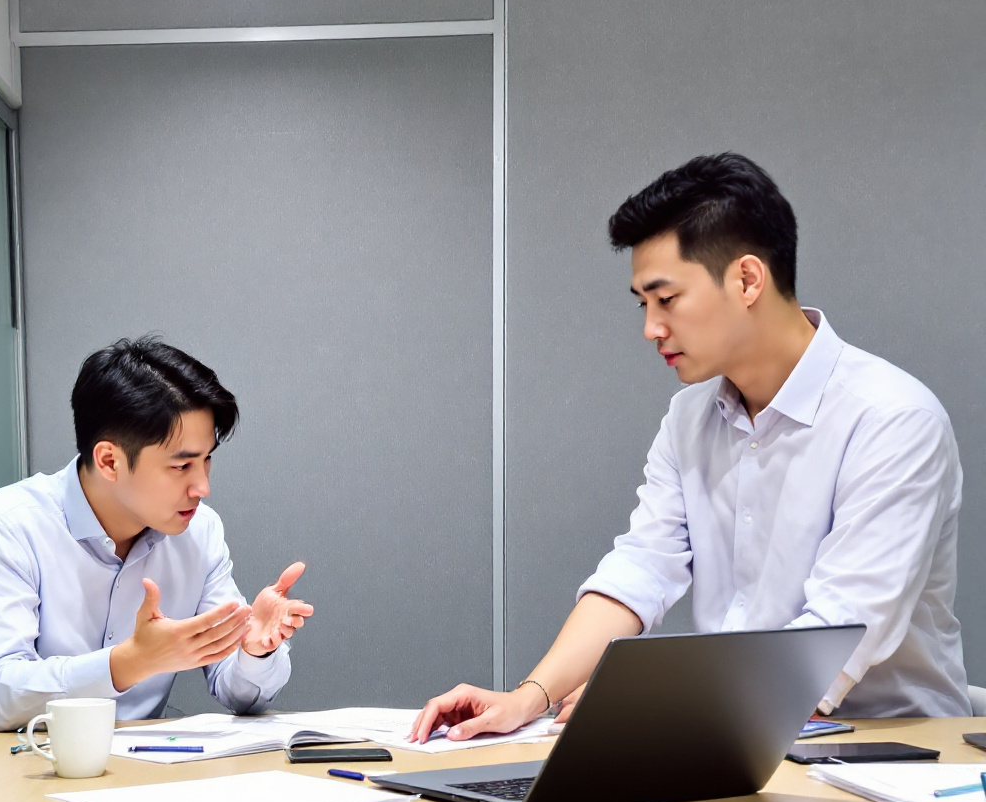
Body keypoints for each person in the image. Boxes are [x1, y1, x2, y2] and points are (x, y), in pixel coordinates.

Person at [413, 152, 968, 744]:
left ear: (747, 280)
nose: (650, 328)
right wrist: (528, 699)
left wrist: (654, 699)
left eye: (667, 299)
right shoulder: (689, 417)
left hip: (893, 753)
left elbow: (836, 633)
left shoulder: (892, 419)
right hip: (734, 738)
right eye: (643, 303)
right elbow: (642, 568)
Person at [0, 337, 311, 750]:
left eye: (207, 459)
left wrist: (253, 653)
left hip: (116, 773)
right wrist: (130, 662)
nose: (202, 487)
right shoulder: (5, 526)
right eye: (182, 466)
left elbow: (239, 693)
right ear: (109, 461)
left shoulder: (199, 532)